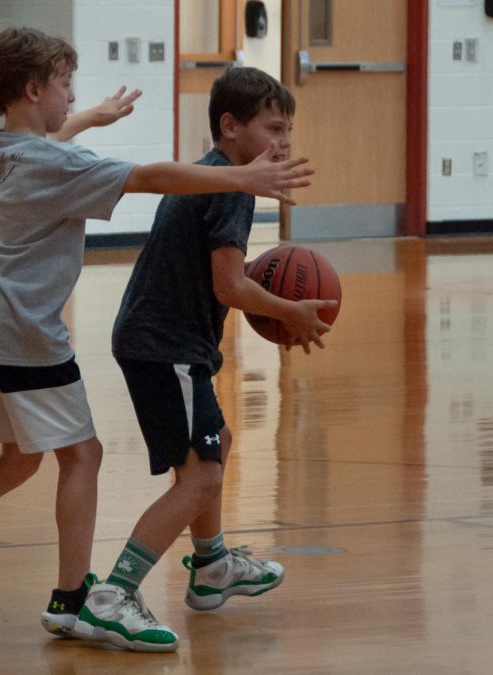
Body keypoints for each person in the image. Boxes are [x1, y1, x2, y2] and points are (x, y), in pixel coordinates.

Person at [0, 28, 312, 643]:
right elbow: (151, 177)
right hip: (27, 334)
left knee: (19, 458)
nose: (69, 95)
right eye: (64, 85)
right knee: (84, 455)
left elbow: (50, 137)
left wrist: (88, 118)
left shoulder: (0, 148)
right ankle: (75, 599)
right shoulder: (57, 164)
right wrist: (240, 182)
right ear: (33, 87)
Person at [72, 67, 335, 653]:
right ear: (230, 125)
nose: (284, 142)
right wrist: (289, 312)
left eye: (290, 129)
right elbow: (230, 287)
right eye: (274, 128)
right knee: (201, 477)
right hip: (166, 346)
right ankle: (113, 597)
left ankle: (213, 565)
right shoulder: (231, 186)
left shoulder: (213, 174)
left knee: (217, 441)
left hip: (162, 341)